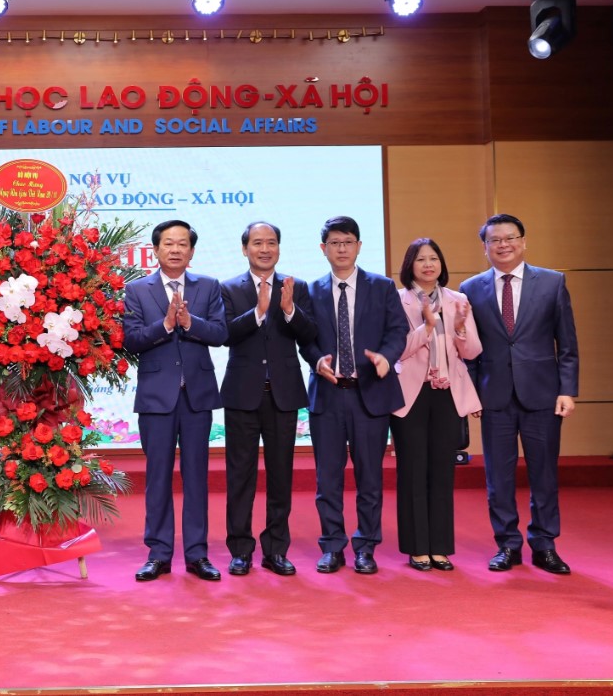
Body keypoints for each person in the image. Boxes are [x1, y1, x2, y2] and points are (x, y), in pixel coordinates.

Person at [460, 214, 578, 575]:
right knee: (498, 477)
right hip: (493, 395)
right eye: (495, 240)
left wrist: (568, 390)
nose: (503, 245)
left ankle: (545, 545)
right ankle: (508, 544)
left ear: (523, 242)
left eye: (510, 238)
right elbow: (469, 349)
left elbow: (567, 344)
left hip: (542, 394)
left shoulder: (552, 282)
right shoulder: (470, 289)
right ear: (485, 248)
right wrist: (471, 393)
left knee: (544, 474)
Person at [300, 216, 409, 575]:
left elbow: (397, 331)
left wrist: (386, 357)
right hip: (328, 395)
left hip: (370, 394)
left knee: (370, 478)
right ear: (324, 249)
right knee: (327, 479)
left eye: (348, 242)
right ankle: (332, 545)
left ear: (359, 246)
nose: (342, 249)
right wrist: (316, 360)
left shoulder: (382, 287)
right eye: (334, 243)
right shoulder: (311, 290)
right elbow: (305, 339)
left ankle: (366, 546)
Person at [122, 219, 228, 582]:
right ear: (156, 250)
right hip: (156, 398)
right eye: (168, 243)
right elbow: (131, 340)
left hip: (197, 397)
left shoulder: (208, 286)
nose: (176, 249)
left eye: (183, 244)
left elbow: (220, 333)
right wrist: (166, 325)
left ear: (192, 251)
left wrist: (189, 321)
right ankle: (159, 554)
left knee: (197, 477)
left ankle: (197, 554)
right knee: (158, 478)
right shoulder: (137, 290)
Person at [220, 221, 318, 577]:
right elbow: (224, 334)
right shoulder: (228, 288)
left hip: (283, 393)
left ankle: (276, 549)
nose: (265, 249)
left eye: (271, 243)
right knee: (240, 476)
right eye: (258, 243)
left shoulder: (296, 286)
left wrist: (289, 310)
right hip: (242, 394)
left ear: (279, 248)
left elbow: (310, 334)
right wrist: (258, 312)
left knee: (281, 475)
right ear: (244, 248)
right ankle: (240, 550)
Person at [391, 238, 482, 572]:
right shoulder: (397, 300)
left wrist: (459, 330)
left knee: (443, 471)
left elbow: (472, 351)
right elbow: (397, 349)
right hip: (411, 395)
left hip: (447, 393)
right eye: (421, 259)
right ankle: (418, 548)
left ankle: (440, 546)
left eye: (433, 258)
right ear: (409, 266)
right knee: (413, 470)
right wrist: (427, 326)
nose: (428, 265)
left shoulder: (458, 300)